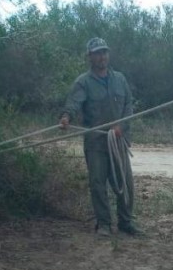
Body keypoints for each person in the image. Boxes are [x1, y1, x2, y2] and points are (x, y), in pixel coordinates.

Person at [59, 37, 141, 237]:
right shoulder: (83, 82)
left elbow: (129, 106)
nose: (102, 56)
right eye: (97, 53)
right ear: (90, 57)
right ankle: (103, 224)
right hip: (96, 143)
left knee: (124, 183)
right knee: (98, 184)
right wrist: (66, 117)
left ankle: (125, 222)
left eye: (104, 52)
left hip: (119, 141)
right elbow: (73, 104)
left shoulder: (120, 79)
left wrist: (121, 126)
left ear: (108, 54)